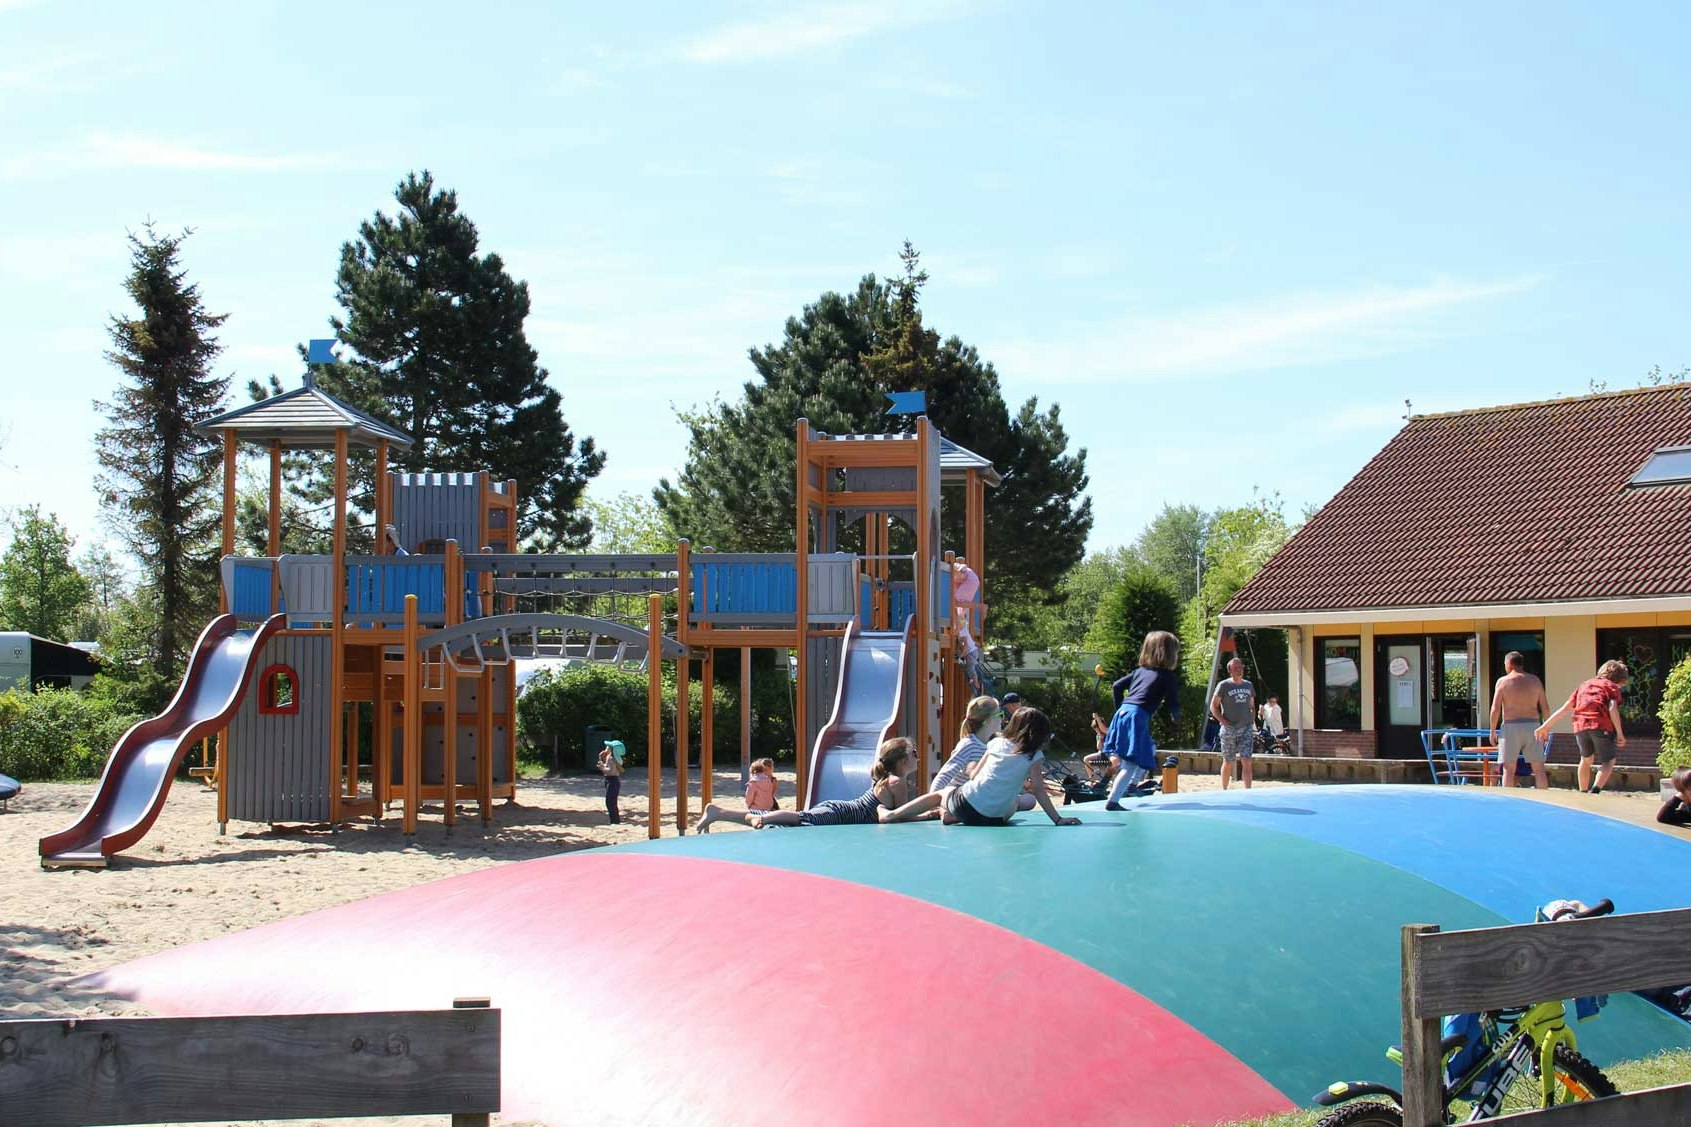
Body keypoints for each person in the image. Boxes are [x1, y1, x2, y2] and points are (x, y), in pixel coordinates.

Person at [883, 707, 1080, 827]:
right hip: (994, 819)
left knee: (944, 793)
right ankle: (952, 817)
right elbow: (1038, 789)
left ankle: (893, 815)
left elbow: (974, 776)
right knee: (1013, 804)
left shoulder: (996, 742)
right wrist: (1057, 819)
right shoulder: (1034, 755)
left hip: (966, 807)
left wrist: (970, 767)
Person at [695, 739, 915, 832]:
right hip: (841, 814)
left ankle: (719, 811)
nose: (918, 757)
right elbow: (902, 817)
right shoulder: (897, 782)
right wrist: (930, 813)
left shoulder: (888, 779)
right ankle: (761, 817)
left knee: (798, 819)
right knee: (800, 818)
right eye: (914, 753)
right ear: (903, 761)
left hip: (841, 811)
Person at [1103, 631, 1183, 810]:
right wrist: (1176, 716)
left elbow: (1117, 686)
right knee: (1131, 763)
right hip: (1137, 715)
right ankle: (1113, 800)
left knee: (1127, 759)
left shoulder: (1140, 671)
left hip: (1123, 712)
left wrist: (1120, 708)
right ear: (1169, 653)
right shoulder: (1167, 676)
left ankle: (1115, 787)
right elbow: (1173, 702)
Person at [1536, 660, 1630, 794]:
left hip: (1580, 725)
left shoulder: (1584, 685)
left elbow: (1565, 708)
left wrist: (1546, 726)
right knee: (1609, 761)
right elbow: (1612, 708)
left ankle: (1583, 792)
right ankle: (1596, 790)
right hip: (1600, 724)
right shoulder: (1611, 687)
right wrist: (1620, 733)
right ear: (1618, 680)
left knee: (1586, 759)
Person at [1489, 651, 1550, 790]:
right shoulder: (1535, 681)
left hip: (1511, 726)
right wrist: (1546, 727)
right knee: (1539, 768)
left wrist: (1492, 730)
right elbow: (1545, 707)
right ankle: (1544, 799)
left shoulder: (1503, 682)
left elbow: (1495, 708)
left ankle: (1508, 801)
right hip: (1533, 725)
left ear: (1509, 664)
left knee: (1508, 769)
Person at [931, 696, 1002, 793]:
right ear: (989, 720)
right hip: (959, 798)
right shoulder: (969, 744)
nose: (1002, 719)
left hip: (978, 798)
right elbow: (946, 774)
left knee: (1027, 799)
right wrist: (933, 799)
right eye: (1000, 715)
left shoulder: (993, 744)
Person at [1211, 658, 1256, 790]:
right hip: (1229, 729)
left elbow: (1252, 705)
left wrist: (1252, 719)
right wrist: (1223, 721)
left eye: (1240, 667)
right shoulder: (1223, 685)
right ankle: (1224, 789)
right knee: (1228, 761)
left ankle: (1248, 790)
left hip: (1246, 727)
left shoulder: (1248, 685)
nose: (1239, 669)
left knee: (1247, 760)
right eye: (1236, 668)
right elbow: (1214, 706)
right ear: (1230, 670)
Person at [595, 739, 626, 824]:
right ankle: (615, 820)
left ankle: (615, 821)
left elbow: (610, 771)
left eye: (608, 746)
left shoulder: (611, 758)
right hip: (611, 780)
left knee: (610, 802)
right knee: (611, 801)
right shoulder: (610, 757)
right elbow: (608, 767)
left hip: (612, 780)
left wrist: (602, 768)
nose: (606, 747)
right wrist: (602, 761)